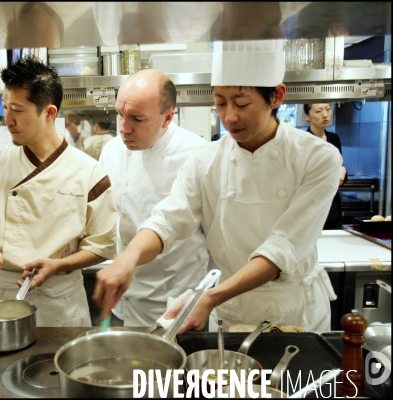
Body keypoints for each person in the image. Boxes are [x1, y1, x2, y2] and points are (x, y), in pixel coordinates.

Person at [93, 39, 342, 333]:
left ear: (276, 96)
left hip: (293, 313)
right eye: (220, 102)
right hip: (229, 312)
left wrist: (209, 297)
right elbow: (168, 220)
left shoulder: (318, 158)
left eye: (242, 103)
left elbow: (282, 248)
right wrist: (129, 258)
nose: (229, 117)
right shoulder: (206, 160)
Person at [0, 56, 117, 327]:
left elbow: (103, 245)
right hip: (6, 296)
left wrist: (59, 265)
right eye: (6, 107)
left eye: (18, 110)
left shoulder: (88, 173)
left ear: (49, 113)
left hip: (62, 301)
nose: (8, 119)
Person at [98, 69, 210, 327]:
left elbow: (214, 241)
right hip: (122, 303)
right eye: (120, 114)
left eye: (137, 119)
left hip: (175, 306)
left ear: (167, 118)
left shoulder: (198, 156)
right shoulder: (112, 151)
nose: (124, 129)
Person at [304, 103, 347, 229]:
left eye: (328, 109)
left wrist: (343, 170)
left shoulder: (334, 138)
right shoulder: (303, 141)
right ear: (307, 117)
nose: (325, 114)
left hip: (332, 205)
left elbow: (339, 168)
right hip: (311, 205)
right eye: (318, 111)